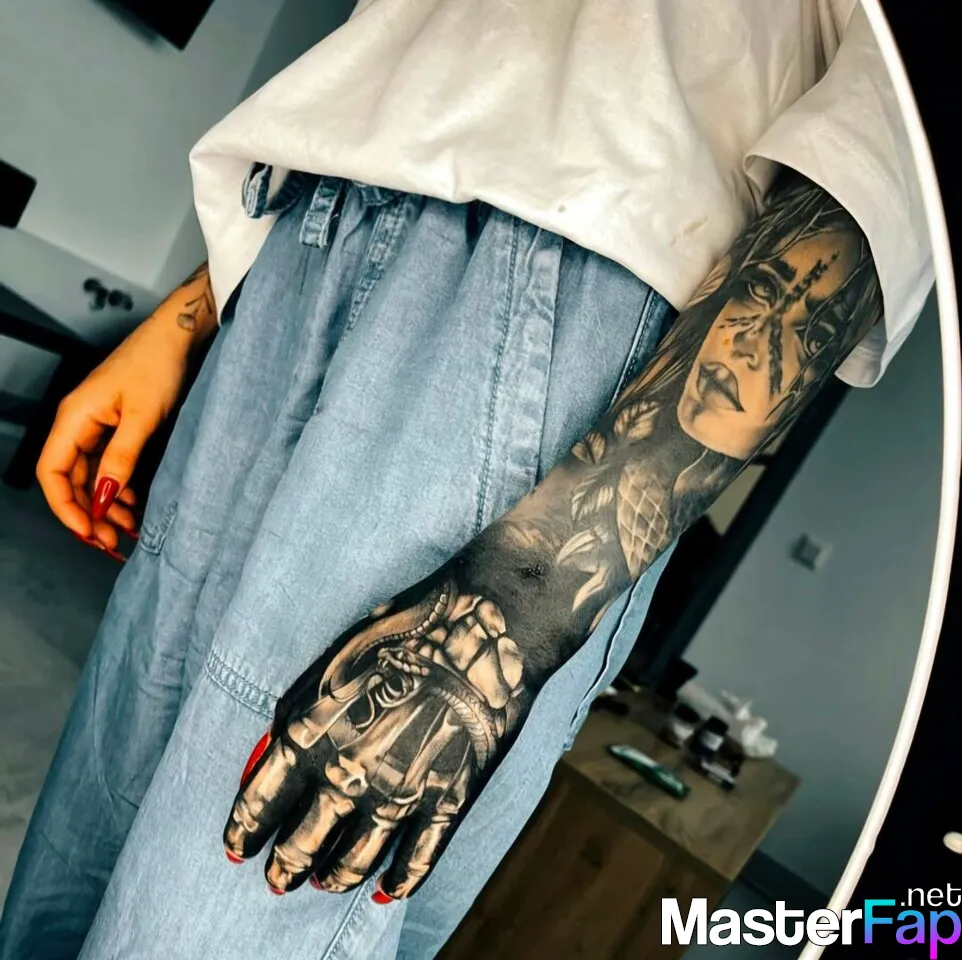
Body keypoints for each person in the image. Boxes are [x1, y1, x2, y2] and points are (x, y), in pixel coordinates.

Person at [0, 0, 931, 957]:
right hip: (309, 223)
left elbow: (888, 138)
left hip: (554, 285)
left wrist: (516, 601)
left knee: (229, 907)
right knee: (76, 868)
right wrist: (195, 307)